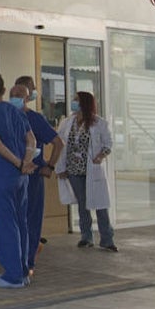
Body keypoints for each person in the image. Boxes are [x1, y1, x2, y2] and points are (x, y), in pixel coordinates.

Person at [0, 73, 36, 289]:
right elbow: (31, 139)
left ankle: (12, 276)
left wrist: (17, 162)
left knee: (6, 225)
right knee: (21, 223)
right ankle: (22, 271)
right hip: (20, 178)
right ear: (4, 90)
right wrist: (26, 161)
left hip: (1, 175)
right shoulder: (16, 111)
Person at [12, 76, 64, 276]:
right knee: (17, 218)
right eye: (13, 95)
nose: (16, 98)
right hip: (13, 175)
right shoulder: (8, 116)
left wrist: (49, 166)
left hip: (32, 175)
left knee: (31, 218)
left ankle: (29, 260)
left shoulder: (35, 119)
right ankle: (18, 257)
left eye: (19, 95)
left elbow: (58, 143)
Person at [55, 91, 117, 252]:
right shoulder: (67, 122)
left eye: (76, 100)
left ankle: (107, 239)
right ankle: (86, 237)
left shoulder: (99, 123)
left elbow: (108, 143)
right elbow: (60, 146)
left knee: (100, 204)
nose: (74, 103)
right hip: (74, 169)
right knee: (83, 204)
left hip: (92, 169)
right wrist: (60, 167)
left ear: (85, 103)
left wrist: (101, 156)